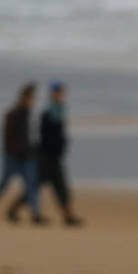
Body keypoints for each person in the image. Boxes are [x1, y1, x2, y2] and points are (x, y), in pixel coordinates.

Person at [0, 82, 44, 224]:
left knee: (31, 184)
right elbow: (8, 137)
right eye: (29, 98)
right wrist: (17, 151)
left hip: (26, 155)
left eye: (32, 98)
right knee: (5, 183)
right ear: (23, 98)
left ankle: (35, 213)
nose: (31, 101)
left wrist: (33, 150)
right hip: (13, 156)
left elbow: (31, 136)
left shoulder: (29, 115)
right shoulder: (13, 114)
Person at [35, 80, 83, 226]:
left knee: (60, 186)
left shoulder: (59, 110)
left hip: (55, 155)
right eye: (57, 91)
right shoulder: (48, 112)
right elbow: (46, 136)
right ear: (52, 93)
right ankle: (14, 209)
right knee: (38, 184)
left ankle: (68, 215)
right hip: (47, 156)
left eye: (60, 91)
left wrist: (62, 145)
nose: (59, 94)